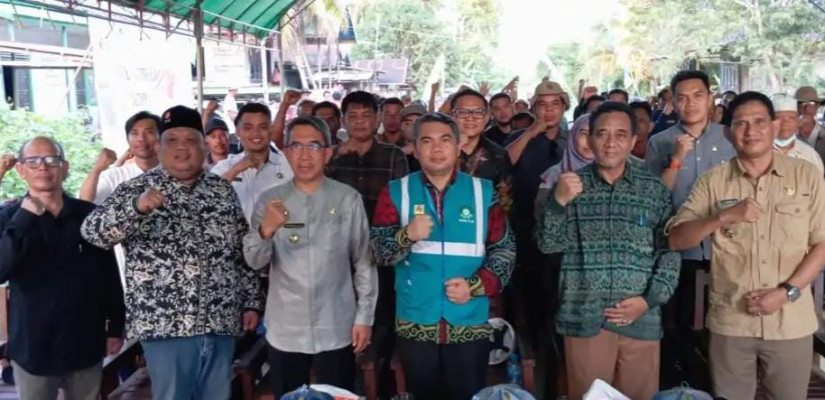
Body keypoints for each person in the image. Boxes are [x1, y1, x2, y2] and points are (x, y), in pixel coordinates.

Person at [81, 105, 264, 400]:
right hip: (164, 327)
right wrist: (135, 208)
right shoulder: (134, 190)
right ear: (159, 146)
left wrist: (252, 302)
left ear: (203, 146)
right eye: (172, 140)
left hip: (220, 321)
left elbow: (239, 249)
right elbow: (93, 233)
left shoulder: (222, 191)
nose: (182, 148)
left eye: (190, 140)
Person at [667, 92, 825, 400]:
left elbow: (822, 243)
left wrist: (787, 292)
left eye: (759, 122)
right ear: (728, 133)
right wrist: (722, 216)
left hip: (790, 321)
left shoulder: (807, 175)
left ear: (774, 126)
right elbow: (676, 239)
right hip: (731, 323)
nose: (751, 131)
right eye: (741, 124)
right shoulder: (713, 181)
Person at [536, 102, 680, 400]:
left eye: (620, 135)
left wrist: (649, 300)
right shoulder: (571, 186)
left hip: (641, 318)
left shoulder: (653, 190)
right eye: (602, 134)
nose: (611, 143)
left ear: (633, 140)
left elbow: (670, 252)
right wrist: (557, 204)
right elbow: (548, 243)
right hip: (585, 317)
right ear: (589, 139)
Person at [371, 112, 516, 400]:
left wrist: (474, 286)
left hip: (469, 321)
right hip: (415, 321)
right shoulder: (397, 191)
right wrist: (406, 235)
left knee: (468, 394)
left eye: (445, 140)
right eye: (427, 141)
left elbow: (505, 250)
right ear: (414, 148)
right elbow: (377, 252)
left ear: (458, 145)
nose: (436, 148)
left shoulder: (483, 192)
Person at [243, 116, 378, 397]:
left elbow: (364, 262)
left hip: (336, 323)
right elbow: (254, 262)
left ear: (327, 153)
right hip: (286, 328)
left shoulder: (347, 199)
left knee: (337, 394)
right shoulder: (270, 200)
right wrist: (266, 231)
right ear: (286, 152)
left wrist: (364, 317)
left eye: (314, 146)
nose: (305, 155)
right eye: (296, 146)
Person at [0, 137, 125, 400]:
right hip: (33, 346)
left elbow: (108, 275)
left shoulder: (89, 215)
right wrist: (25, 217)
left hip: (84, 340)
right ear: (21, 170)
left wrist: (115, 327)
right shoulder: (10, 217)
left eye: (51, 159)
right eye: (33, 161)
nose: (43, 167)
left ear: (64, 167)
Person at [645, 70, 735, 389]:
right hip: (678, 252)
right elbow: (653, 199)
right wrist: (675, 160)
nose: (690, 103)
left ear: (710, 99)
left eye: (698, 96)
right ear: (672, 102)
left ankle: (720, 388)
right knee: (679, 327)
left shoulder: (731, 137)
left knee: (724, 328)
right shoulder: (660, 142)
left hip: (726, 249)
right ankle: (683, 388)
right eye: (681, 98)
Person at [325, 90, 408, 397]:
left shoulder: (393, 156)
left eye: (366, 115)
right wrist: (334, 158)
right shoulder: (330, 156)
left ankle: (382, 388)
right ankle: (344, 389)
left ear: (377, 119)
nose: (360, 122)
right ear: (343, 120)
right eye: (353, 116)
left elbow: (403, 206)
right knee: (341, 325)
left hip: (382, 254)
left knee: (383, 322)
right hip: (338, 256)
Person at [211, 102, 293, 222]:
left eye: (262, 127)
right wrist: (235, 171)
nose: (255, 133)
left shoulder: (288, 166)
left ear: (271, 130)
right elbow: (206, 199)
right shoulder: (225, 167)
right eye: (248, 128)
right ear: (238, 131)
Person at [451, 89, 514, 212]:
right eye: (463, 112)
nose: (470, 117)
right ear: (452, 116)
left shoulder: (498, 155)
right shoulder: (438, 150)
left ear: (487, 117)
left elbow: (505, 202)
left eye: (478, 112)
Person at [78, 111, 161, 204]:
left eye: (149, 132)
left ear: (161, 138)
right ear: (128, 140)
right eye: (134, 133)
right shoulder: (115, 176)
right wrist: (97, 169)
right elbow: (85, 201)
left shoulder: (171, 173)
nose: (141, 138)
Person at [534, 113, 594, 217]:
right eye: (584, 134)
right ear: (573, 136)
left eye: (596, 134)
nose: (589, 141)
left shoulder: (611, 173)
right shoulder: (554, 174)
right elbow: (540, 215)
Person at [770, 94, 824, 173]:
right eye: (778, 118)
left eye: (791, 118)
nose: (785, 122)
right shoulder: (757, 152)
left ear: (797, 121)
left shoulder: (810, 155)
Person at [400, 103, 426, 172]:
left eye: (418, 123)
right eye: (408, 123)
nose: (413, 127)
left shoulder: (433, 150)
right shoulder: (393, 147)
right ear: (401, 126)